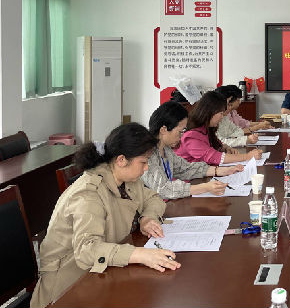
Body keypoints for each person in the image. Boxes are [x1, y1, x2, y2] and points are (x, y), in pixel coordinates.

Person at [31, 123, 180, 308]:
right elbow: (87, 250)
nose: (146, 168)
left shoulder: (126, 179)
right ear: (121, 160)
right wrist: (139, 254)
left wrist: (147, 218)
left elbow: (154, 199)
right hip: (68, 285)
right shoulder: (89, 194)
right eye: (143, 162)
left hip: (101, 272)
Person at [142, 101, 244, 199]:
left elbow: (185, 169)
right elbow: (163, 189)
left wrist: (220, 170)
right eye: (180, 131)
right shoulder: (147, 154)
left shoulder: (166, 149)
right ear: (163, 130)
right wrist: (204, 187)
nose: (181, 136)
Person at [175, 91, 263, 165]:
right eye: (221, 113)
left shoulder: (206, 128)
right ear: (210, 112)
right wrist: (247, 156)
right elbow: (213, 156)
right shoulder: (191, 135)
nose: (222, 117)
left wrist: (224, 147)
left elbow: (216, 143)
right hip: (189, 178)